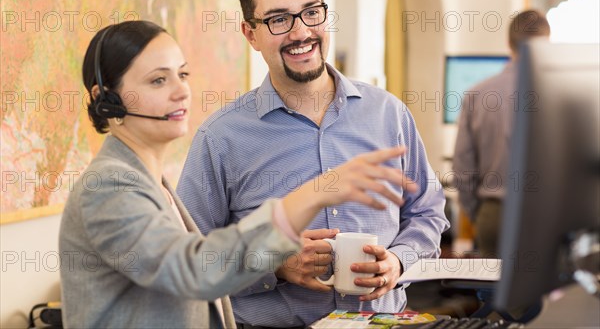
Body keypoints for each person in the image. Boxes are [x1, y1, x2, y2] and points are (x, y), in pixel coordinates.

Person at [58, 20, 414, 328]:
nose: (181, 91)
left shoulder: (150, 181)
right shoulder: (108, 186)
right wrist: (310, 196)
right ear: (106, 97)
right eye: (157, 81)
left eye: (182, 75)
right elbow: (197, 270)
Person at [177, 0, 450, 328]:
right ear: (250, 34)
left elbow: (427, 212)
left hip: (382, 322)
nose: (301, 31)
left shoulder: (389, 114)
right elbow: (191, 259)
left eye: (311, 12)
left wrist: (399, 260)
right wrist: (275, 265)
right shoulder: (221, 137)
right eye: (278, 20)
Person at [453, 10, 550, 257]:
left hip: (495, 215)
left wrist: (481, 213)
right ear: (547, 41)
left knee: (495, 294)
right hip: (547, 216)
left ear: (509, 43)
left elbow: (463, 169)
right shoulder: (564, 93)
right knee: (549, 294)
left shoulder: (477, 95)